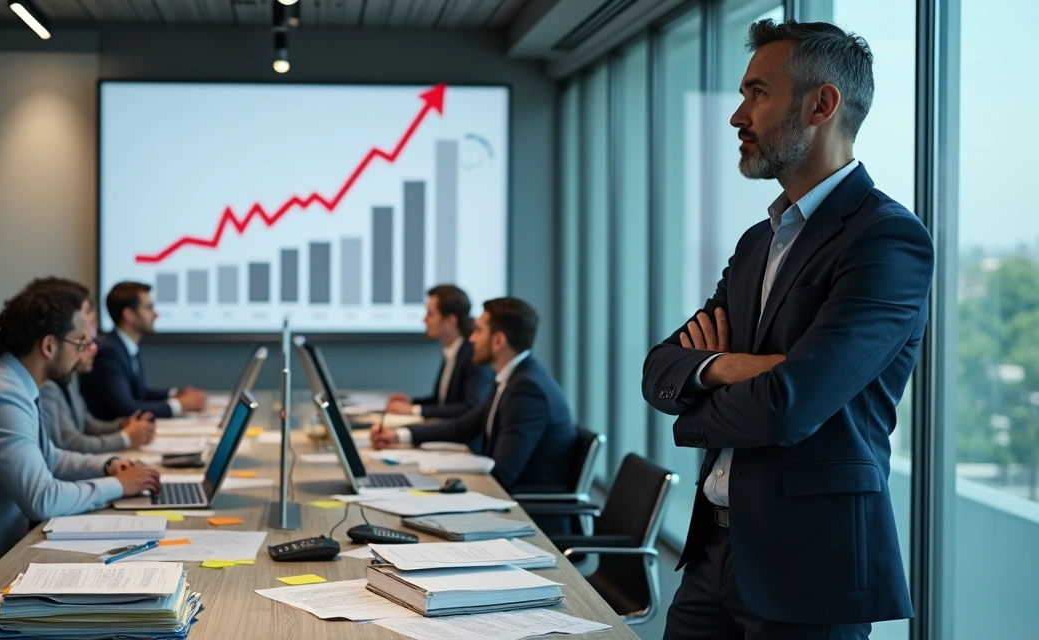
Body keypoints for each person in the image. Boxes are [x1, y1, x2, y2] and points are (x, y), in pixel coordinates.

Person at [642, 20, 932, 639]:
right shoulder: (758, 243)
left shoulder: (887, 239)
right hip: (712, 558)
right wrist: (724, 366)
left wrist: (692, 414)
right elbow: (659, 367)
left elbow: (789, 406)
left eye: (757, 93)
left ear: (822, 104)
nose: (737, 117)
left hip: (809, 571)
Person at [0, 278, 160, 615]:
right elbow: (43, 499)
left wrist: (106, 465)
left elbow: (49, 456)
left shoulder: (13, 382)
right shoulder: (1, 396)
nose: (85, 350)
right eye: (79, 342)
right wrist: (117, 486)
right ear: (49, 346)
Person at [372, 297, 575, 491]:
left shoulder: (528, 390)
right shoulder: (511, 377)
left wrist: (443, 468)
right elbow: (462, 427)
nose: (472, 338)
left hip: (527, 513)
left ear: (498, 341)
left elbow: (503, 473)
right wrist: (399, 435)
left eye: (478, 331)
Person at [39, 282, 156, 453]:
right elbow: (69, 445)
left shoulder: (69, 377)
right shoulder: (48, 383)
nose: (93, 340)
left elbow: (86, 424)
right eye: (88, 325)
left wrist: (122, 425)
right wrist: (125, 438)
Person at [81, 281, 206, 420]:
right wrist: (179, 405)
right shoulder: (109, 352)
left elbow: (139, 394)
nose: (156, 314)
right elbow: (125, 408)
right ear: (129, 315)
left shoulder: (125, 346)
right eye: (149, 308)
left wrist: (175, 394)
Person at [385, 284, 495, 420]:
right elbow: (442, 402)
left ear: (450, 321)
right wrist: (411, 402)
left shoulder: (473, 354)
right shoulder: (452, 350)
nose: (424, 320)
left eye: (430, 314)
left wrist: (414, 410)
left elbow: (470, 406)